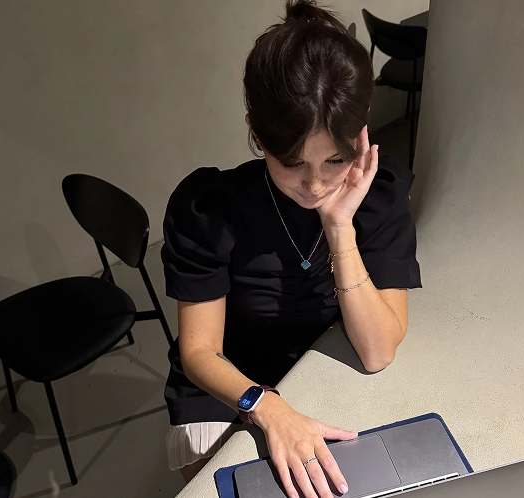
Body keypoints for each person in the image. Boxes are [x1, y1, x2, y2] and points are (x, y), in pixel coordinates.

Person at [161, 1, 421, 496]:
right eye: (292, 163)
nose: (315, 185)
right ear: (256, 132)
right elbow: (199, 352)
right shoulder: (209, 209)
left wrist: (339, 226)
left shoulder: (378, 197)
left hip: (325, 371)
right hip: (226, 386)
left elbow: (376, 350)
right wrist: (268, 407)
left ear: (362, 128)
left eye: (336, 160)